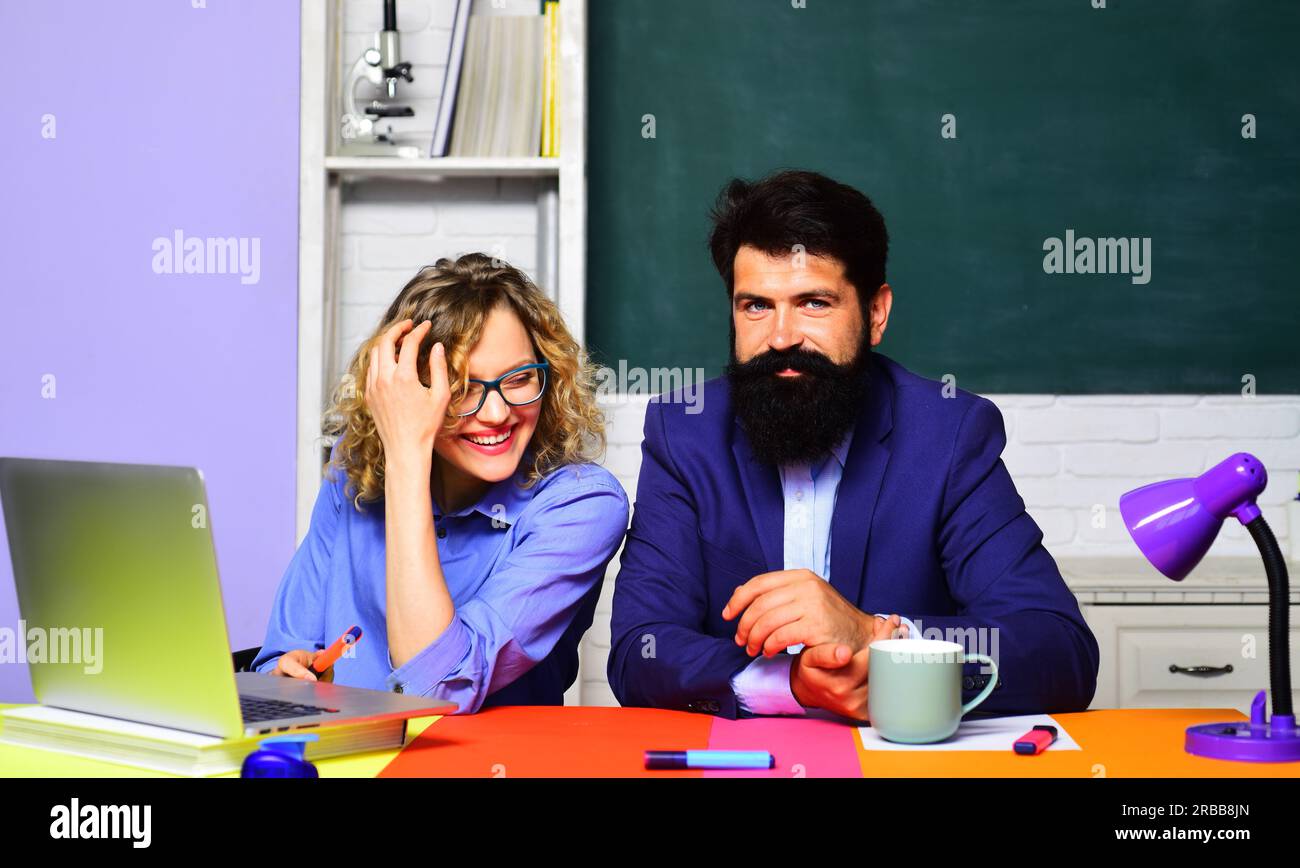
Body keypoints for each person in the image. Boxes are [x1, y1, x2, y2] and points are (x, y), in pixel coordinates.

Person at [608, 169, 1099, 721]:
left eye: (814, 303)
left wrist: (878, 639)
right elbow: (639, 651)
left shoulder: (950, 434)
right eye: (756, 306)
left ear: (875, 313)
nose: (781, 336)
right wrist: (791, 684)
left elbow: (1060, 652)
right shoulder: (684, 433)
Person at [253, 253, 629, 713]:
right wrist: (286, 674)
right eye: (462, 387)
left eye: (520, 378)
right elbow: (278, 654)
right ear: (408, 387)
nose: (496, 413)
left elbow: (434, 689)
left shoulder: (583, 504)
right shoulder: (353, 469)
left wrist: (408, 453)